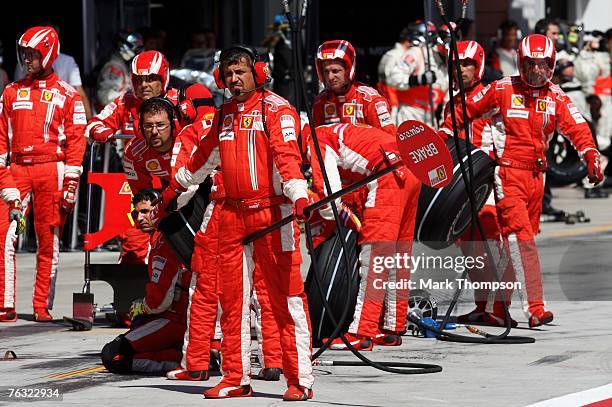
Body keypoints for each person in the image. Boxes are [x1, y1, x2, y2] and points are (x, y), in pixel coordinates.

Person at [160, 46, 313, 401]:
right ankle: (236, 376)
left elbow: (287, 158)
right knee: (231, 301)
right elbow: (199, 161)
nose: (234, 79)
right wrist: (171, 194)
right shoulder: (223, 115)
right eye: (228, 74)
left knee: (285, 299)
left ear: (258, 73)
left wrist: (300, 197)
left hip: (274, 213)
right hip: (231, 216)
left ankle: (300, 379)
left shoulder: (278, 110)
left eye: (240, 72)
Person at [440, 34, 603, 328]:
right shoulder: (502, 89)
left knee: (514, 245)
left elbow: (578, 128)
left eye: (543, 65)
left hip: (537, 179)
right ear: (520, 63)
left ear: (551, 66)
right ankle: (535, 308)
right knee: (519, 240)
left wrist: (590, 156)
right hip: (507, 175)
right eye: (531, 65)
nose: (537, 71)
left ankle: (497, 308)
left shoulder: (557, 97)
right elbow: (460, 112)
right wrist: (449, 146)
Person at [307, 123, 421, 350]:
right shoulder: (334, 130)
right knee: (398, 255)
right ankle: (392, 327)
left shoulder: (316, 141)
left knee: (375, 257)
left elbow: (330, 200)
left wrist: (338, 214)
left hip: (386, 176)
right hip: (409, 171)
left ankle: (362, 331)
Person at [0, 26, 87, 322]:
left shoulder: (68, 94)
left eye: (33, 54)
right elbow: (1, 140)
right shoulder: (11, 92)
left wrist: (72, 183)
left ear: (48, 54)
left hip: (54, 169)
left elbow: (77, 140)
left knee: (48, 239)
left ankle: (41, 305)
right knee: (4, 235)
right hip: (17, 169)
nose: (27, 59)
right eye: (24, 54)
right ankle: (5, 303)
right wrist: (5, 179)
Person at [442, 40, 512, 327]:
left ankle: (500, 309)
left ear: (479, 65)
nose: (462, 70)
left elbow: (509, 135)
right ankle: (483, 307)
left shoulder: (492, 95)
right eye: (457, 65)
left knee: (494, 246)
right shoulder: (450, 102)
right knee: (470, 249)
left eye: (467, 64)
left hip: (489, 180)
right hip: (461, 185)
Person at [101, 188, 191, 374]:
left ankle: (186, 359)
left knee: (113, 355)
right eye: (136, 213)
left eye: (145, 211)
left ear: (159, 209)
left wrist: (141, 306)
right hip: (182, 317)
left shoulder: (163, 242)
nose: (139, 218)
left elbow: (159, 301)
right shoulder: (169, 234)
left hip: (176, 319)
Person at [86, 50, 178, 142]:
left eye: (150, 79)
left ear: (163, 78)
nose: (143, 85)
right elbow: (94, 123)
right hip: (132, 155)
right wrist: (100, 130)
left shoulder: (178, 100)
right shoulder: (125, 101)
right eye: (138, 80)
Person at [313, 40, 395, 134]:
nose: (330, 77)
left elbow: (388, 140)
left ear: (348, 70)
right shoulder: (320, 102)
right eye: (326, 72)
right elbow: (316, 141)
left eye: (335, 71)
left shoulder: (371, 100)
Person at [385, 21, 448, 127]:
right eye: (445, 39)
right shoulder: (418, 52)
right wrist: (419, 79)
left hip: (431, 120)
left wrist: (445, 127)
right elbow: (393, 78)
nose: (448, 44)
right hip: (409, 115)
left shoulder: (452, 65)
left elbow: (449, 104)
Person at [96, 31, 144, 109]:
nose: (139, 52)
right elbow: (104, 97)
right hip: (110, 117)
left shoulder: (124, 66)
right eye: (136, 49)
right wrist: (130, 98)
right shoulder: (114, 67)